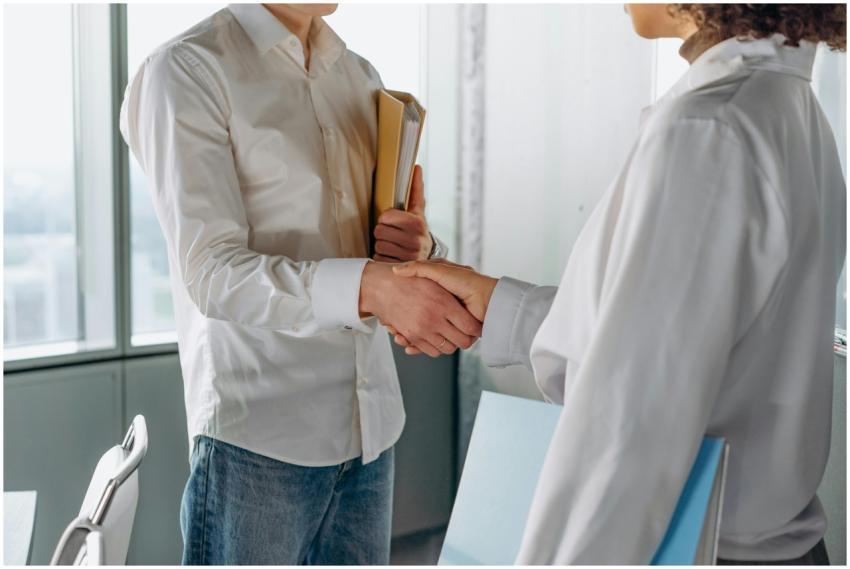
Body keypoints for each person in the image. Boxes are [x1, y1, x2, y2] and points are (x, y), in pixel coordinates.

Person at [394, 3, 846, 564]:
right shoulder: (784, 106)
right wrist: (498, 305)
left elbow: (631, 427)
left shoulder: (709, 130)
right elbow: (678, 342)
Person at [120, 3, 480, 565]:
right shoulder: (187, 70)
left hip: (370, 432)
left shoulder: (358, 76)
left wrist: (416, 249)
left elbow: (373, 247)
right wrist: (372, 286)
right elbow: (212, 273)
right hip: (259, 442)